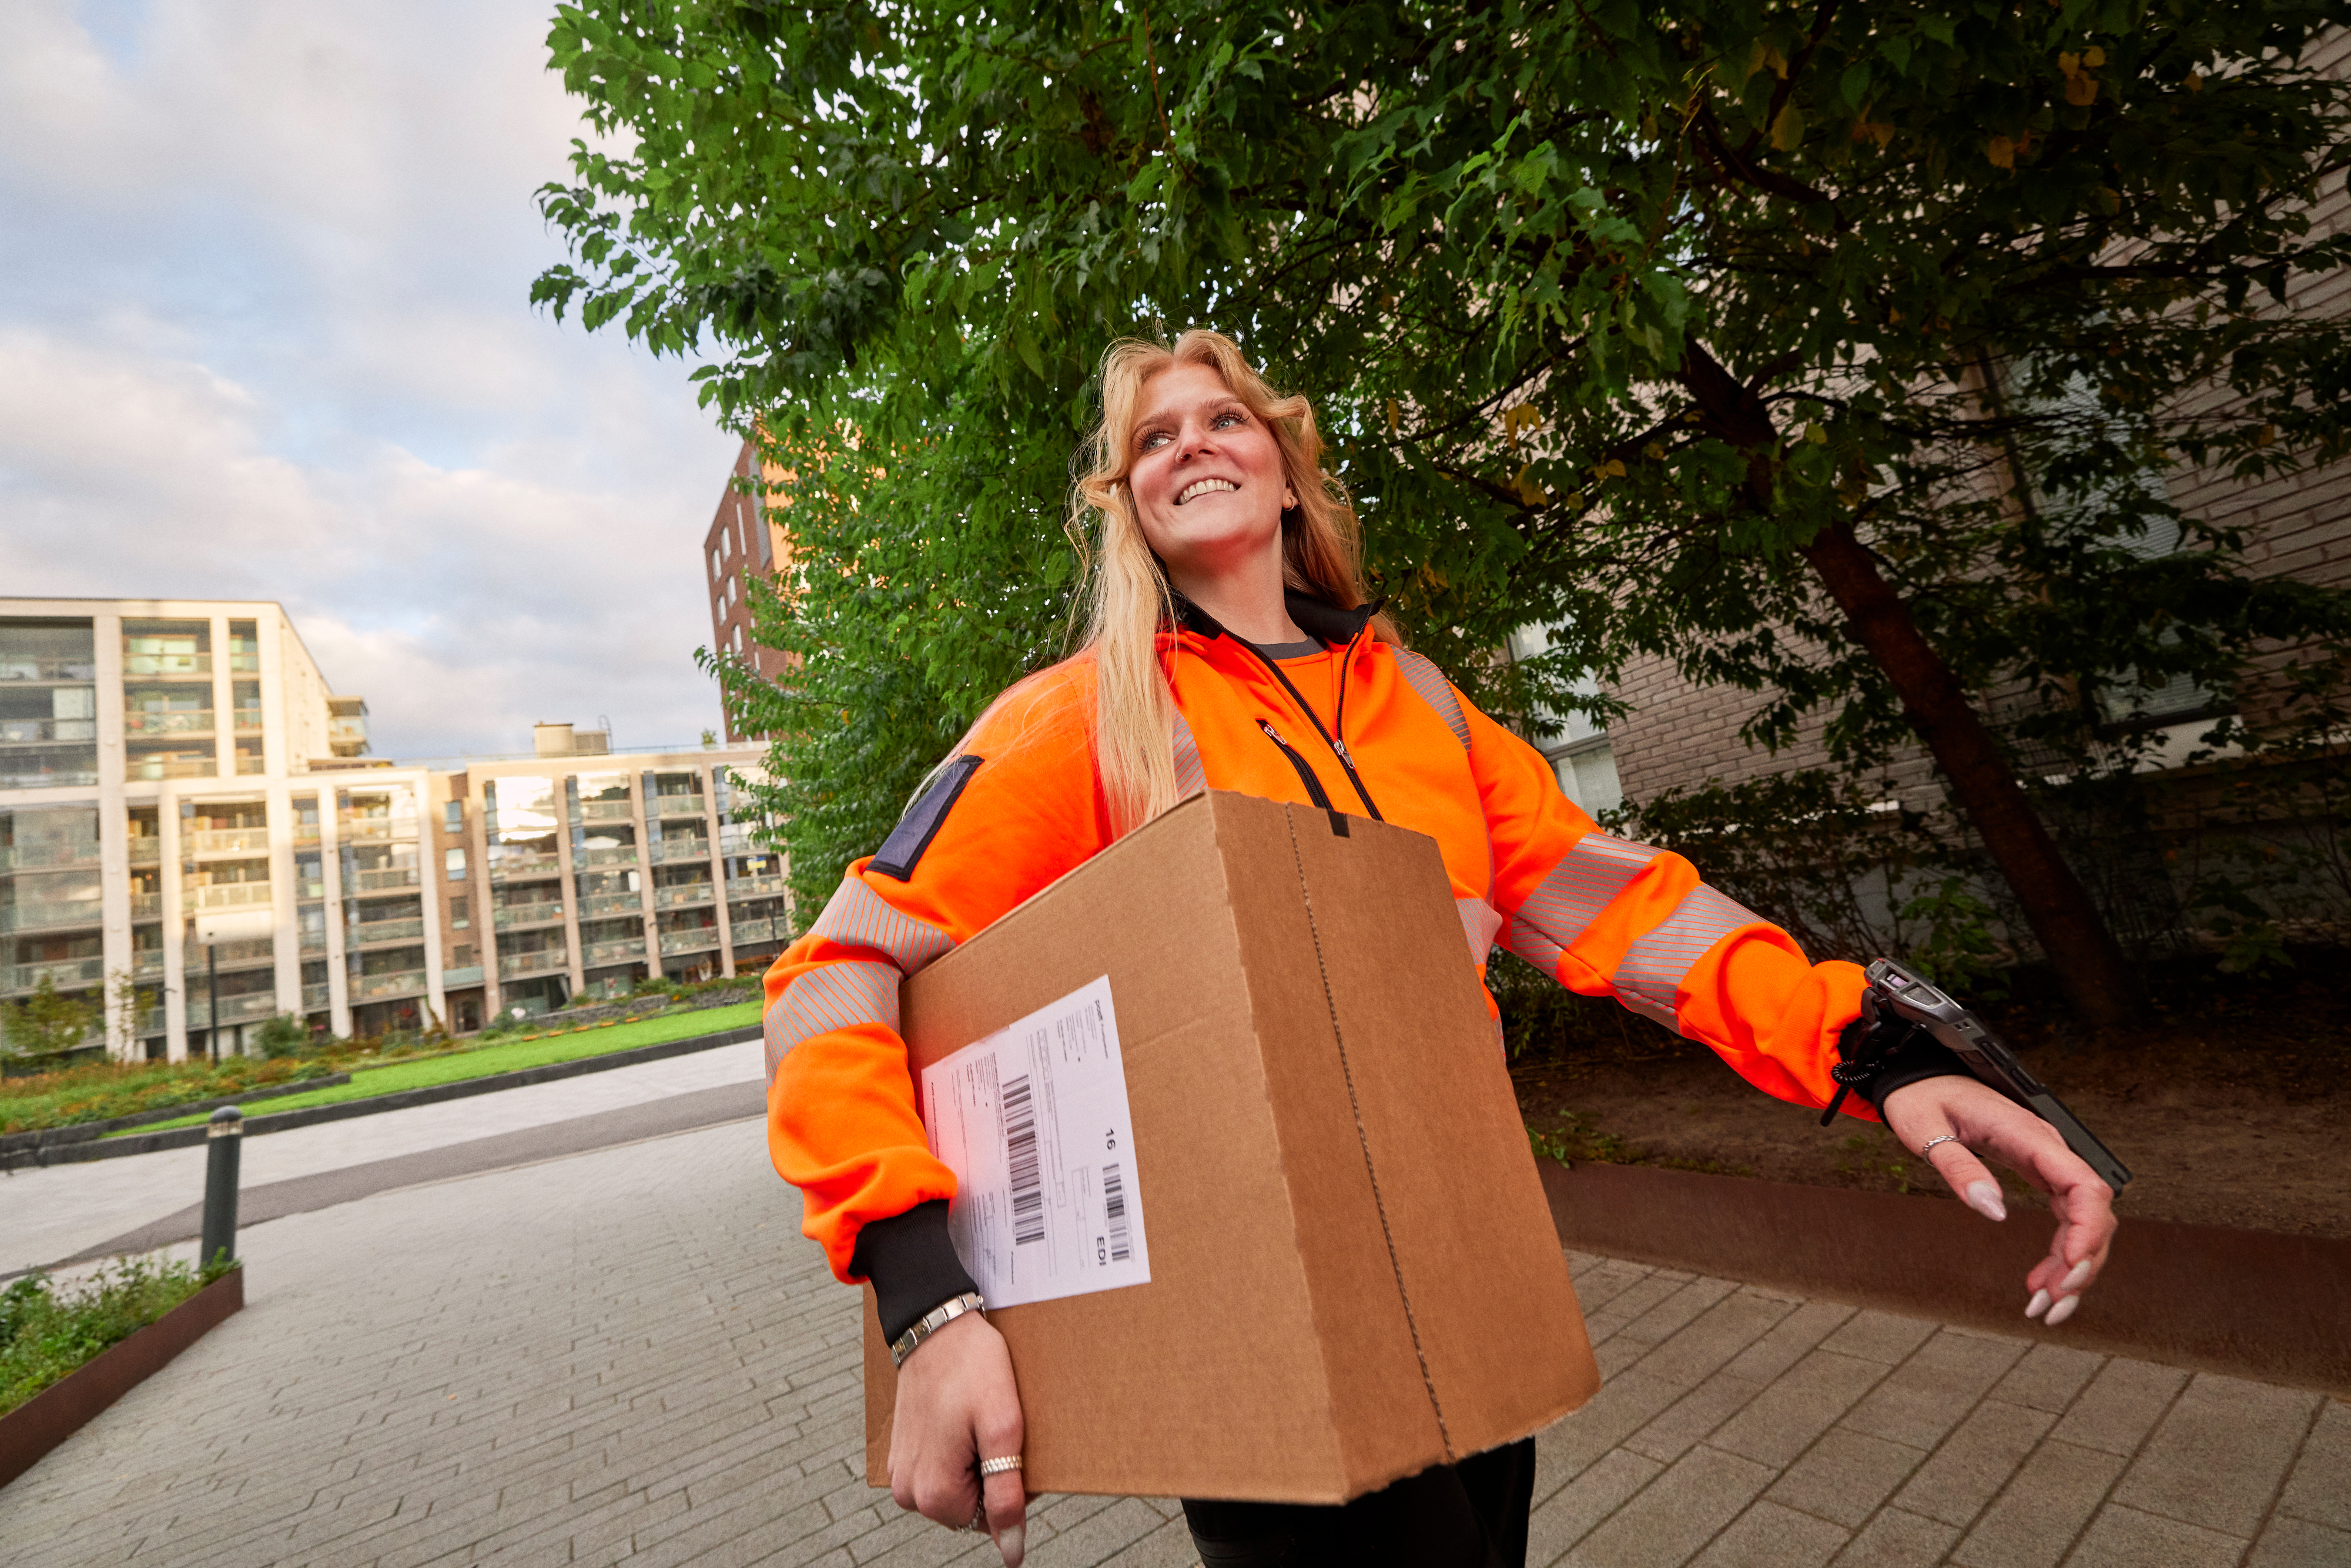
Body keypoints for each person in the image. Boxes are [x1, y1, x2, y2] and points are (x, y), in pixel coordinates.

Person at [759, 330, 2120, 1567]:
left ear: (1284, 475)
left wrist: (1875, 1054)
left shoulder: (1420, 704)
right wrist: (926, 1302)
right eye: (1151, 438)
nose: (1190, 445)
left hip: (1464, 1247)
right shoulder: (1079, 719)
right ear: (1130, 509)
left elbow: (1627, 908)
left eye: (1221, 419)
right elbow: (832, 976)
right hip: (1259, 1303)